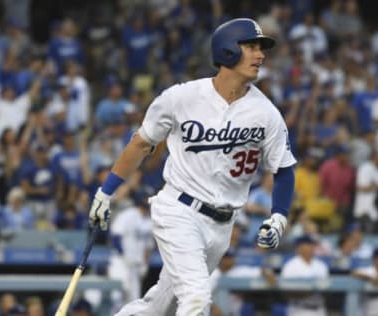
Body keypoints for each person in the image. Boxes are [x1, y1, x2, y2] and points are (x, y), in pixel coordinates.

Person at [88, 18, 296, 316]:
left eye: (261, 48)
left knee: (159, 307)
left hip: (222, 225)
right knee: (197, 298)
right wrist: (106, 193)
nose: (260, 55)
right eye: (251, 46)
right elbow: (140, 144)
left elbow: (284, 170)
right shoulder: (181, 97)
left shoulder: (266, 113)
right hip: (179, 210)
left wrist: (279, 216)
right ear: (227, 50)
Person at [280, 234, 329, 316]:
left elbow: (328, 289)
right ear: (300, 247)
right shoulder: (290, 266)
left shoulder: (321, 265)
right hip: (299, 310)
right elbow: (285, 292)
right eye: (309, 244)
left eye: (312, 245)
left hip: (320, 310)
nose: (312, 247)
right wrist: (307, 291)